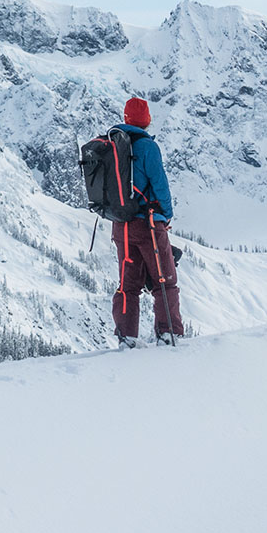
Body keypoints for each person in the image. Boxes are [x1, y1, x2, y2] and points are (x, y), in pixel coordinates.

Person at [112, 97, 184, 347]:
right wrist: (166, 214)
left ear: (126, 117)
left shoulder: (113, 144)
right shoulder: (146, 147)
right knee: (164, 279)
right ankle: (168, 334)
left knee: (128, 284)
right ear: (147, 119)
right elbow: (160, 186)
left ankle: (126, 337)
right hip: (149, 225)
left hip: (120, 225)